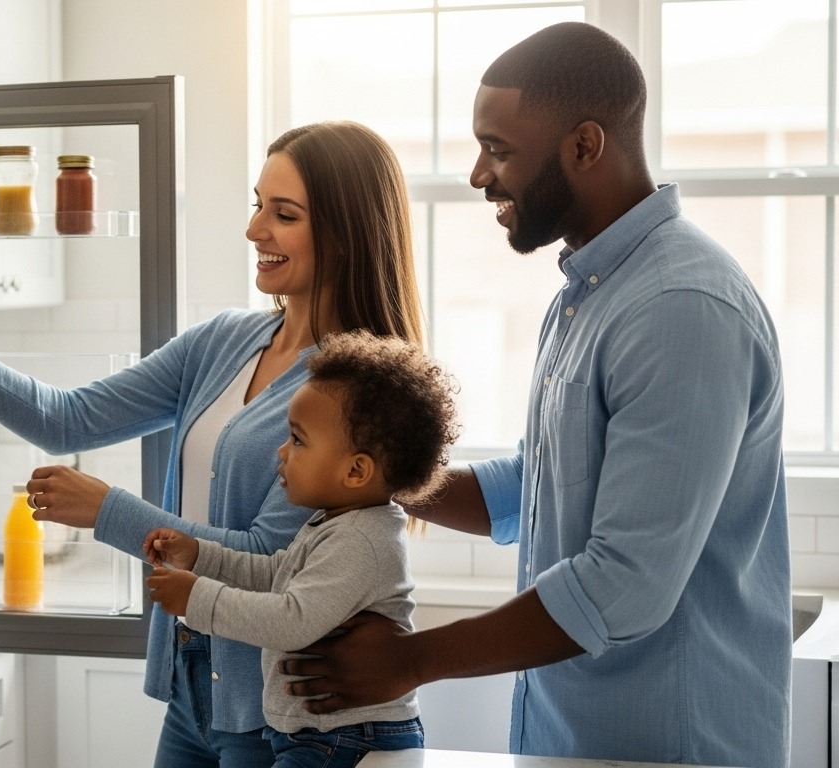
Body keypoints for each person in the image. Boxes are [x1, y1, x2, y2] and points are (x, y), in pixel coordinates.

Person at [280, 21, 791, 767]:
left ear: (585, 146)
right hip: (572, 737)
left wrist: (411, 660)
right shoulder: (589, 292)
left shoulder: (680, 307)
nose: (480, 174)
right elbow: (536, 487)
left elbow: (624, 586)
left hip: (673, 745)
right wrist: (369, 474)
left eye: (500, 148)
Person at [0, 120, 426, 767]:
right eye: (257, 204)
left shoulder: (353, 389)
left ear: (345, 235)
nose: (255, 229)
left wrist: (108, 512)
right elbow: (68, 418)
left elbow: (275, 556)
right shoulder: (223, 341)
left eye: (283, 214)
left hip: (275, 708)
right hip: (189, 679)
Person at [142, 331, 460, 767]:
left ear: (355, 470)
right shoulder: (334, 523)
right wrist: (200, 555)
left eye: (297, 440)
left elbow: (292, 620)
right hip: (319, 735)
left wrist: (197, 599)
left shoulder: (361, 540)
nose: (282, 450)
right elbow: (276, 575)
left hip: (346, 738)